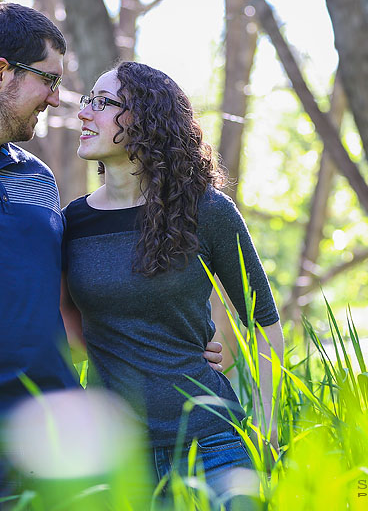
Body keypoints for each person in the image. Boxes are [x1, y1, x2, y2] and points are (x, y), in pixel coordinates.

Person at [0, 2, 226, 511]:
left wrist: (173, 344)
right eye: (48, 80)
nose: (56, 99)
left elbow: (68, 311)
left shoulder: (39, 180)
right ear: (0, 74)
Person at [60, 61, 285, 508]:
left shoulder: (207, 211)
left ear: (146, 118)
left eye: (102, 103)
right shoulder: (72, 223)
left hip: (215, 448)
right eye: (88, 101)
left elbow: (264, 324)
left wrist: (266, 428)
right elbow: (66, 323)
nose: (85, 113)